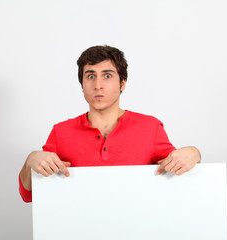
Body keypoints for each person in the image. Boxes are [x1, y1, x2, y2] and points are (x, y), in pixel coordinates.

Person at [19, 45, 201, 202]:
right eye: (90, 76)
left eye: (107, 76)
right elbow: (29, 194)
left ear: (122, 83)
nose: (98, 85)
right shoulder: (61, 132)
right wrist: (30, 162)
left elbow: (177, 174)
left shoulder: (150, 128)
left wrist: (194, 154)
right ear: (82, 84)